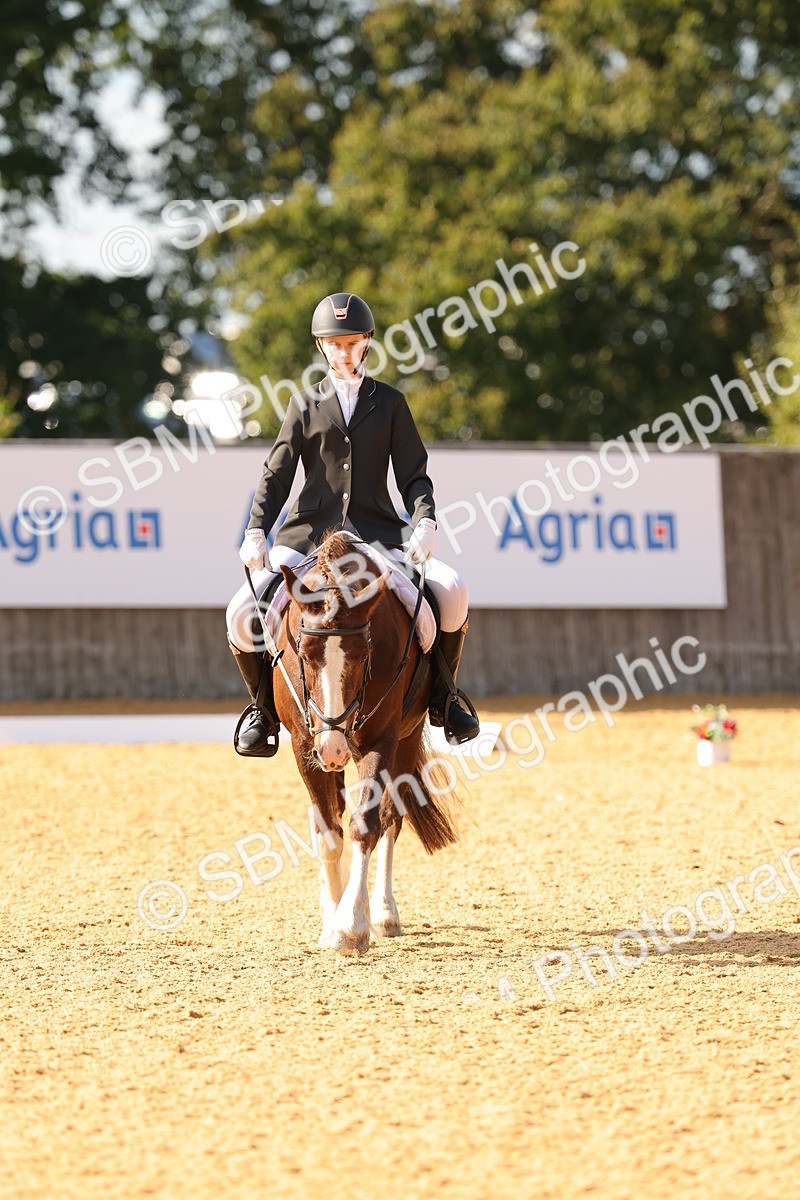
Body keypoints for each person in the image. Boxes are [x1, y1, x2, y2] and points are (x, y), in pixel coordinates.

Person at [226, 291, 481, 755]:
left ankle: (445, 701)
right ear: (322, 347)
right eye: (335, 343)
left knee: (452, 589)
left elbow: (413, 474)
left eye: (353, 343)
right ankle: (263, 711)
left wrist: (425, 522)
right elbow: (277, 473)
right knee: (242, 612)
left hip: (378, 534)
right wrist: (256, 530)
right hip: (305, 536)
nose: (344, 352)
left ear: (367, 343)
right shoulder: (303, 404)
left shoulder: (390, 403)